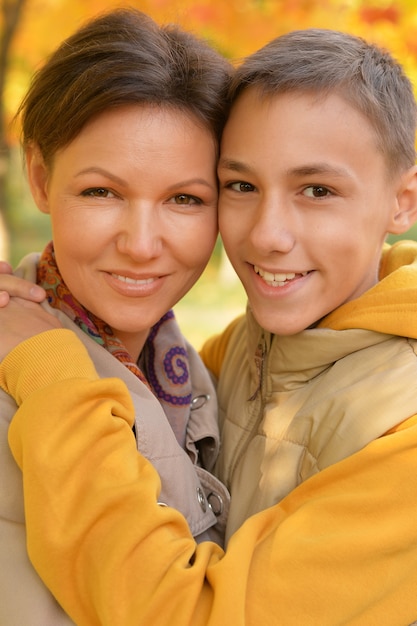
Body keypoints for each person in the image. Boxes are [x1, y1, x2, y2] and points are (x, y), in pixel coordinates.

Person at [2, 27, 417, 625]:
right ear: (40, 180)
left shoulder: (395, 423)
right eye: (242, 186)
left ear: (402, 202)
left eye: (317, 190)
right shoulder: (241, 355)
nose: (269, 235)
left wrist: (54, 377)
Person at [0, 7, 233, 626]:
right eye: (102, 192)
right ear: (42, 178)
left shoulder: (198, 371)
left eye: (185, 199)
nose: (140, 242)